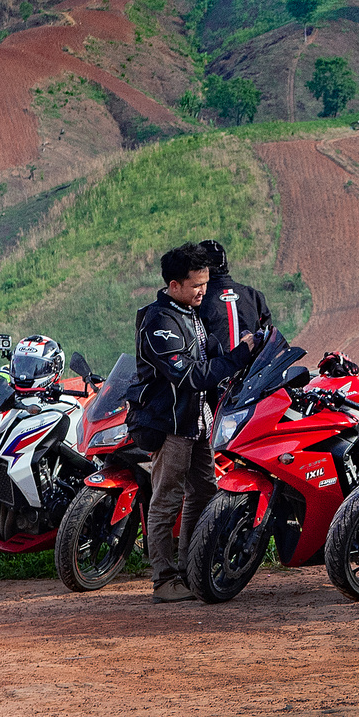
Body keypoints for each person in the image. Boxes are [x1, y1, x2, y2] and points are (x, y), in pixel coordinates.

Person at [128, 243, 260, 604]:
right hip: (171, 426)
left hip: (198, 423)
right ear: (173, 285)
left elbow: (215, 354)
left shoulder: (190, 314)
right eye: (196, 285)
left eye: (205, 283)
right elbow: (192, 375)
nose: (204, 291)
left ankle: (189, 567)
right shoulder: (159, 323)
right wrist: (238, 356)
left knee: (203, 492)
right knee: (165, 499)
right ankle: (163, 579)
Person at [195, 239, 271, 350]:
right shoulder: (254, 295)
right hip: (255, 367)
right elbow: (268, 338)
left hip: (214, 367)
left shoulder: (198, 298)